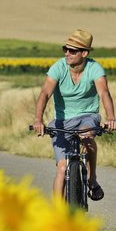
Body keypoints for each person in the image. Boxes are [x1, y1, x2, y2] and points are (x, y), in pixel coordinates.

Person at [32, 29, 116, 201]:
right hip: (62, 121)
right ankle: (57, 215)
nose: (67, 54)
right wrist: (38, 120)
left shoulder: (94, 68)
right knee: (62, 168)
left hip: (88, 116)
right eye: (66, 49)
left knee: (87, 136)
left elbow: (104, 93)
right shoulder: (58, 67)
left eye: (73, 50)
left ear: (84, 53)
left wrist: (111, 117)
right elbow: (44, 93)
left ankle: (92, 180)